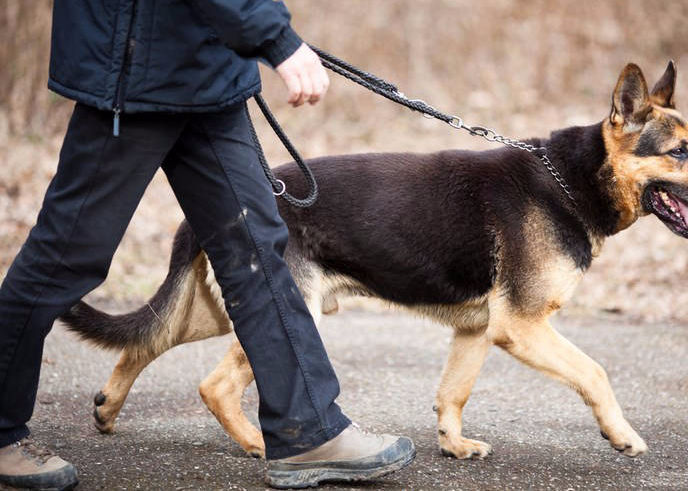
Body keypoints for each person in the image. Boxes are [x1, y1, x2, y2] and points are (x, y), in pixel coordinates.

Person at [0, 1, 416, 489]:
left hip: (207, 76)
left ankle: (309, 432)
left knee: (260, 254)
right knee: (63, 259)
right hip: (135, 75)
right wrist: (278, 41)